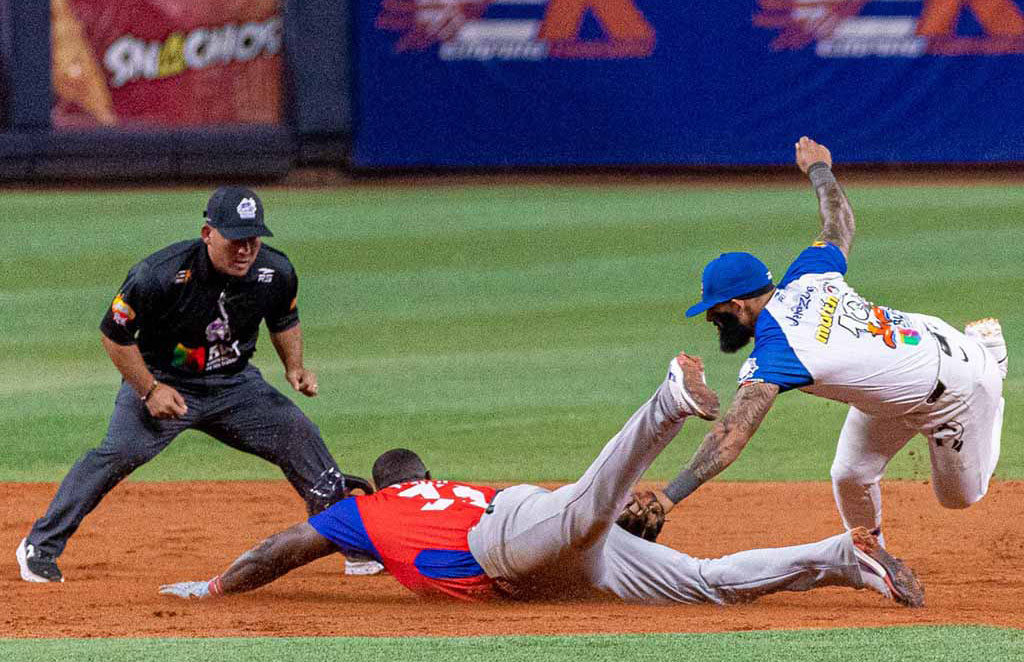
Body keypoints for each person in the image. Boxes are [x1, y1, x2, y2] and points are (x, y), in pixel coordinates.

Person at [159, 353, 924, 607]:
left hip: (510, 548)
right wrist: (615, 520)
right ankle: (843, 559)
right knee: (704, 580)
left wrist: (218, 588)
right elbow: (568, 523)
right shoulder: (454, 489)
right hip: (530, 527)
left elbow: (281, 548)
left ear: (378, 490)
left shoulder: (365, 513)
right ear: (428, 475)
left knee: (589, 510)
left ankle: (667, 403)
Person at [618, 137, 1006, 548]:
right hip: (915, 358)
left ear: (738, 304)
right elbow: (839, 223)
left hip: (957, 390)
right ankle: (871, 552)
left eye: (715, 310)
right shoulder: (807, 273)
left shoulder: (778, 351)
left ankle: (993, 359)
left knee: (959, 499)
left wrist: (666, 498)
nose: (712, 319)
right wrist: (820, 169)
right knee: (850, 475)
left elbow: (730, 435)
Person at [17, 186, 381, 583]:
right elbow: (114, 334)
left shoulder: (274, 271)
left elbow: (283, 319)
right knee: (118, 453)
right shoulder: (158, 274)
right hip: (165, 381)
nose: (245, 250)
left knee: (300, 435)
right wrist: (149, 390)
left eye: (253, 239)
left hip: (236, 386)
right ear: (208, 233)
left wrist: (295, 367)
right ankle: (40, 545)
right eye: (235, 240)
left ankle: (354, 543)